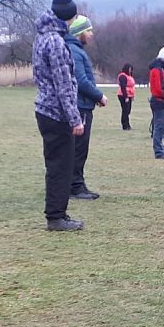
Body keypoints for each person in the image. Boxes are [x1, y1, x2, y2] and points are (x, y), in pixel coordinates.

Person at [33, 0, 85, 230]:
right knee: (61, 166)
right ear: (69, 17)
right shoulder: (55, 41)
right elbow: (63, 84)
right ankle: (56, 217)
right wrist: (75, 119)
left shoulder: (41, 37)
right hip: (57, 113)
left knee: (55, 164)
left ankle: (57, 214)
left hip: (44, 109)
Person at [65, 15, 107, 200]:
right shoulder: (74, 51)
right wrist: (98, 95)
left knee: (79, 147)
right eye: (88, 30)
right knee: (78, 148)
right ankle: (75, 186)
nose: (91, 34)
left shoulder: (77, 50)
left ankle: (77, 184)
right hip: (79, 106)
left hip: (84, 104)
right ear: (79, 32)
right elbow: (80, 81)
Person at [117, 63, 135, 131]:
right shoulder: (122, 76)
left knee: (128, 110)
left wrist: (132, 96)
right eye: (129, 69)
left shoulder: (129, 76)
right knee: (125, 110)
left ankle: (127, 124)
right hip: (123, 95)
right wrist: (126, 97)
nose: (130, 70)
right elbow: (123, 87)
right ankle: (125, 125)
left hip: (129, 95)